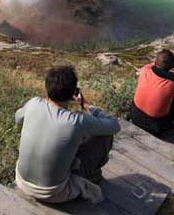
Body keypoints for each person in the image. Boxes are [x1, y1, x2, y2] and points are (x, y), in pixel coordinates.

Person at [15, 66, 120, 204]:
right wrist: (86, 105)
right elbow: (114, 126)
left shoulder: (34, 103)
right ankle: (92, 176)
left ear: (47, 87)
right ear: (72, 94)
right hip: (54, 193)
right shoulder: (76, 121)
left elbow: (17, 118)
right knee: (104, 136)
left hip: (21, 182)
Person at [131, 49, 174, 136]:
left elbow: (152, 65)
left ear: (155, 62)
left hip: (135, 117)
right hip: (156, 127)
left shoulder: (145, 70)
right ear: (173, 65)